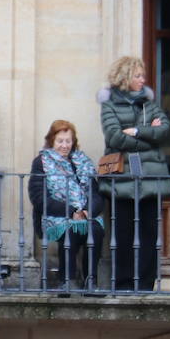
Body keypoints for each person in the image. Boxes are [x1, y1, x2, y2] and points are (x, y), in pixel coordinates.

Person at [98, 55, 170, 291]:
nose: (143, 80)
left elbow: (165, 130)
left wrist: (136, 132)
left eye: (143, 75)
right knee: (122, 235)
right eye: (138, 75)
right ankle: (122, 284)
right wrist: (148, 135)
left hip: (151, 179)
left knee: (149, 234)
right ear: (125, 77)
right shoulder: (109, 105)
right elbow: (114, 137)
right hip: (121, 180)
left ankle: (146, 284)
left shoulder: (149, 104)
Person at [29, 119, 104, 291]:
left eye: (68, 141)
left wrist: (87, 211)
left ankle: (90, 281)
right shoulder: (41, 162)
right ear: (51, 141)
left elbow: (96, 194)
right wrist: (71, 212)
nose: (64, 145)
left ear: (73, 141)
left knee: (96, 230)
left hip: (85, 215)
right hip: (57, 215)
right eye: (60, 141)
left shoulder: (84, 161)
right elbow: (39, 198)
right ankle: (66, 280)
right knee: (70, 229)